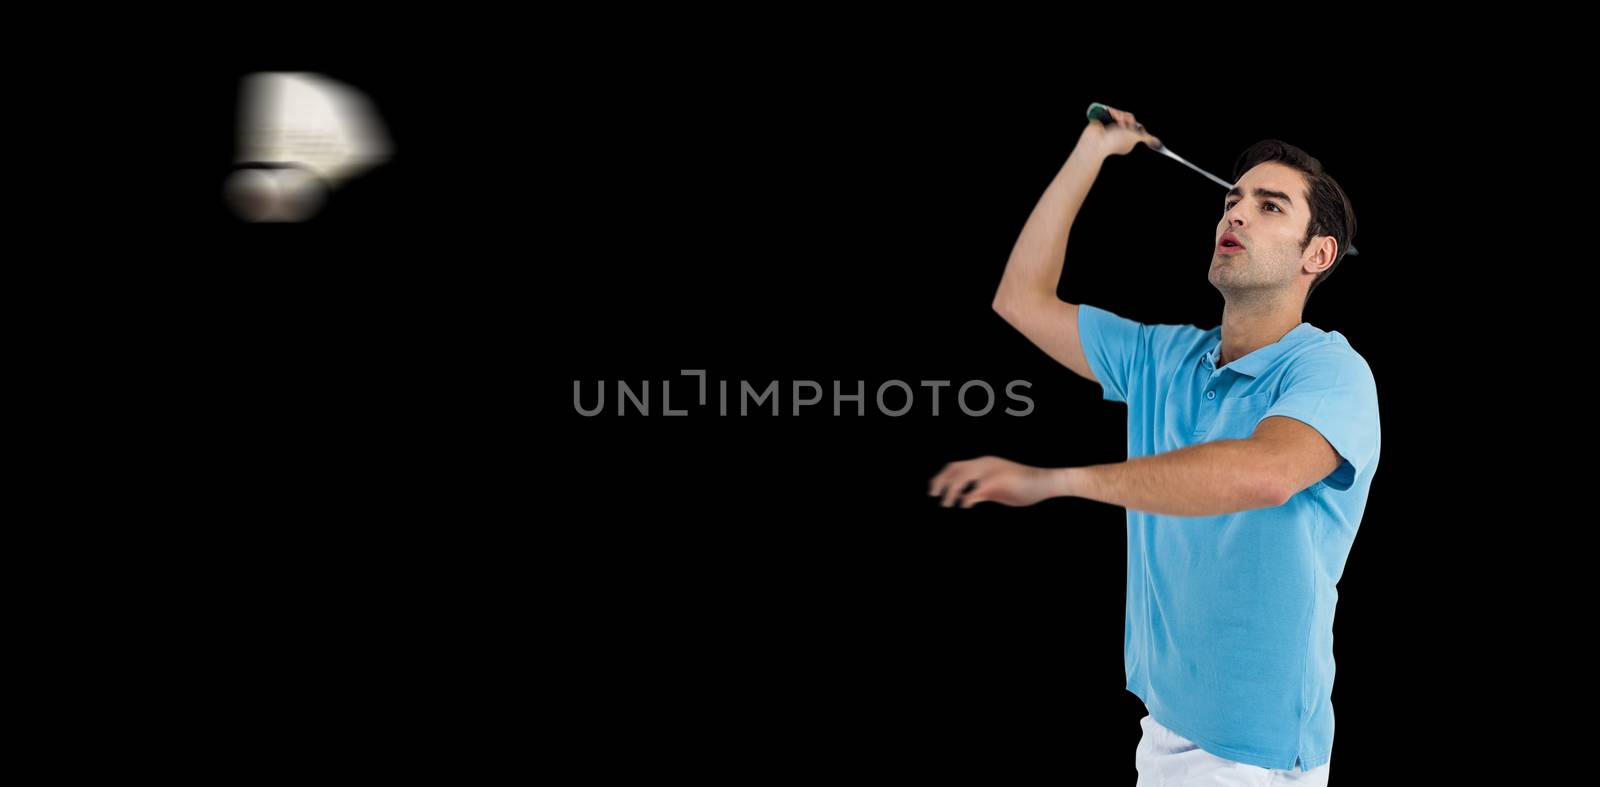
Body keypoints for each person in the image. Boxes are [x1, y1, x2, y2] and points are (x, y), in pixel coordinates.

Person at [928, 105, 1377, 784]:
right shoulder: (1164, 357)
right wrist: (1093, 151)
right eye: (1232, 201)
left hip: (1252, 752)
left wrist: (1059, 481)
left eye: (1269, 206)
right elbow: (1020, 299)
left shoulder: (1330, 371)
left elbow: (1266, 473)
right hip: (1165, 723)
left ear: (1317, 254)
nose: (1236, 215)